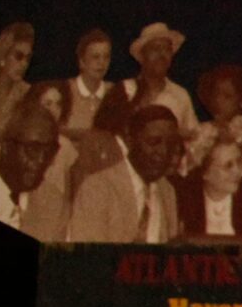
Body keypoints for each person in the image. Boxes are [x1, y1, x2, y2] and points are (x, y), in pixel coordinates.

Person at [64, 104, 181, 243]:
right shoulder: (97, 188)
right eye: (153, 142)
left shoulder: (167, 191)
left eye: (170, 144)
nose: (163, 152)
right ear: (130, 141)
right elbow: (89, 257)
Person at [96, 22, 195, 134]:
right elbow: (102, 134)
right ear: (142, 56)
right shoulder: (124, 90)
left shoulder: (181, 95)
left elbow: (192, 138)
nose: (162, 55)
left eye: (167, 49)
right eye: (155, 49)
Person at [182, 64, 242, 178]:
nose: (218, 101)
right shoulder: (200, 132)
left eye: (227, 96)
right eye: (215, 94)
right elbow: (187, 173)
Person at [175, 138, 242, 240]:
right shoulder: (186, 202)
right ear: (205, 173)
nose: (237, 171)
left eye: (239, 162)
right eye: (228, 165)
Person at [62, 27, 114, 133]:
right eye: (96, 57)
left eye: (106, 57)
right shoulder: (65, 91)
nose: (102, 62)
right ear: (81, 61)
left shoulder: (114, 92)